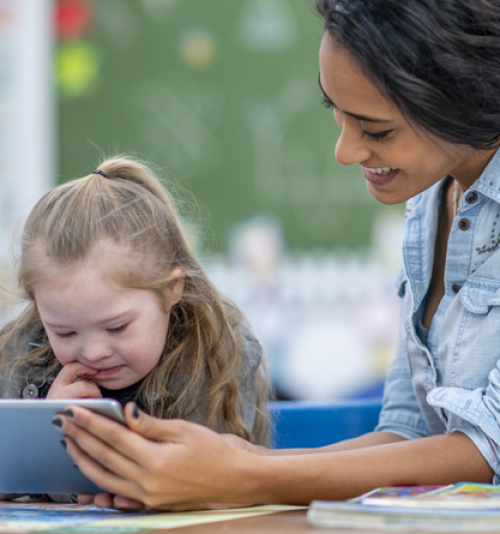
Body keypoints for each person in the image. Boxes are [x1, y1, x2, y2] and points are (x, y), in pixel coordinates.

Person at [51, 0, 500, 508]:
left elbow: (489, 450)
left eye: (376, 130)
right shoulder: (431, 198)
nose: (345, 151)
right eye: (335, 110)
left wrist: (240, 475)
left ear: (464, 101)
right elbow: (411, 431)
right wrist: (224, 459)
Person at [0, 156, 269, 502]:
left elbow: (216, 482)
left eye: (117, 327)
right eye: (65, 333)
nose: (94, 351)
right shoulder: (21, 353)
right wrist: (46, 435)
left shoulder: (216, 355)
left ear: (171, 289)